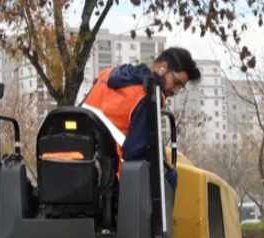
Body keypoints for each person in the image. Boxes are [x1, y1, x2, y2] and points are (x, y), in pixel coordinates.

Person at [82, 47, 201, 192]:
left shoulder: (106, 75)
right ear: (162, 68)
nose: (176, 91)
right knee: (169, 176)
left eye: (180, 88)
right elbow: (134, 151)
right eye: (176, 83)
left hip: (79, 158)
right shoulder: (147, 95)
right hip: (108, 177)